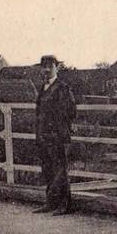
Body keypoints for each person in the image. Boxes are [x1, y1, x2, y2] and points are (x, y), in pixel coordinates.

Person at [34, 55, 77, 215]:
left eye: (49, 67)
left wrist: (57, 126)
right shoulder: (43, 88)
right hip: (44, 136)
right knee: (48, 170)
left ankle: (64, 205)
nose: (46, 70)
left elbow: (71, 111)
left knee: (60, 170)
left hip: (58, 136)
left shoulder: (63, 88)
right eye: (43, 66)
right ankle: (51, 202)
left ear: (56, 68)